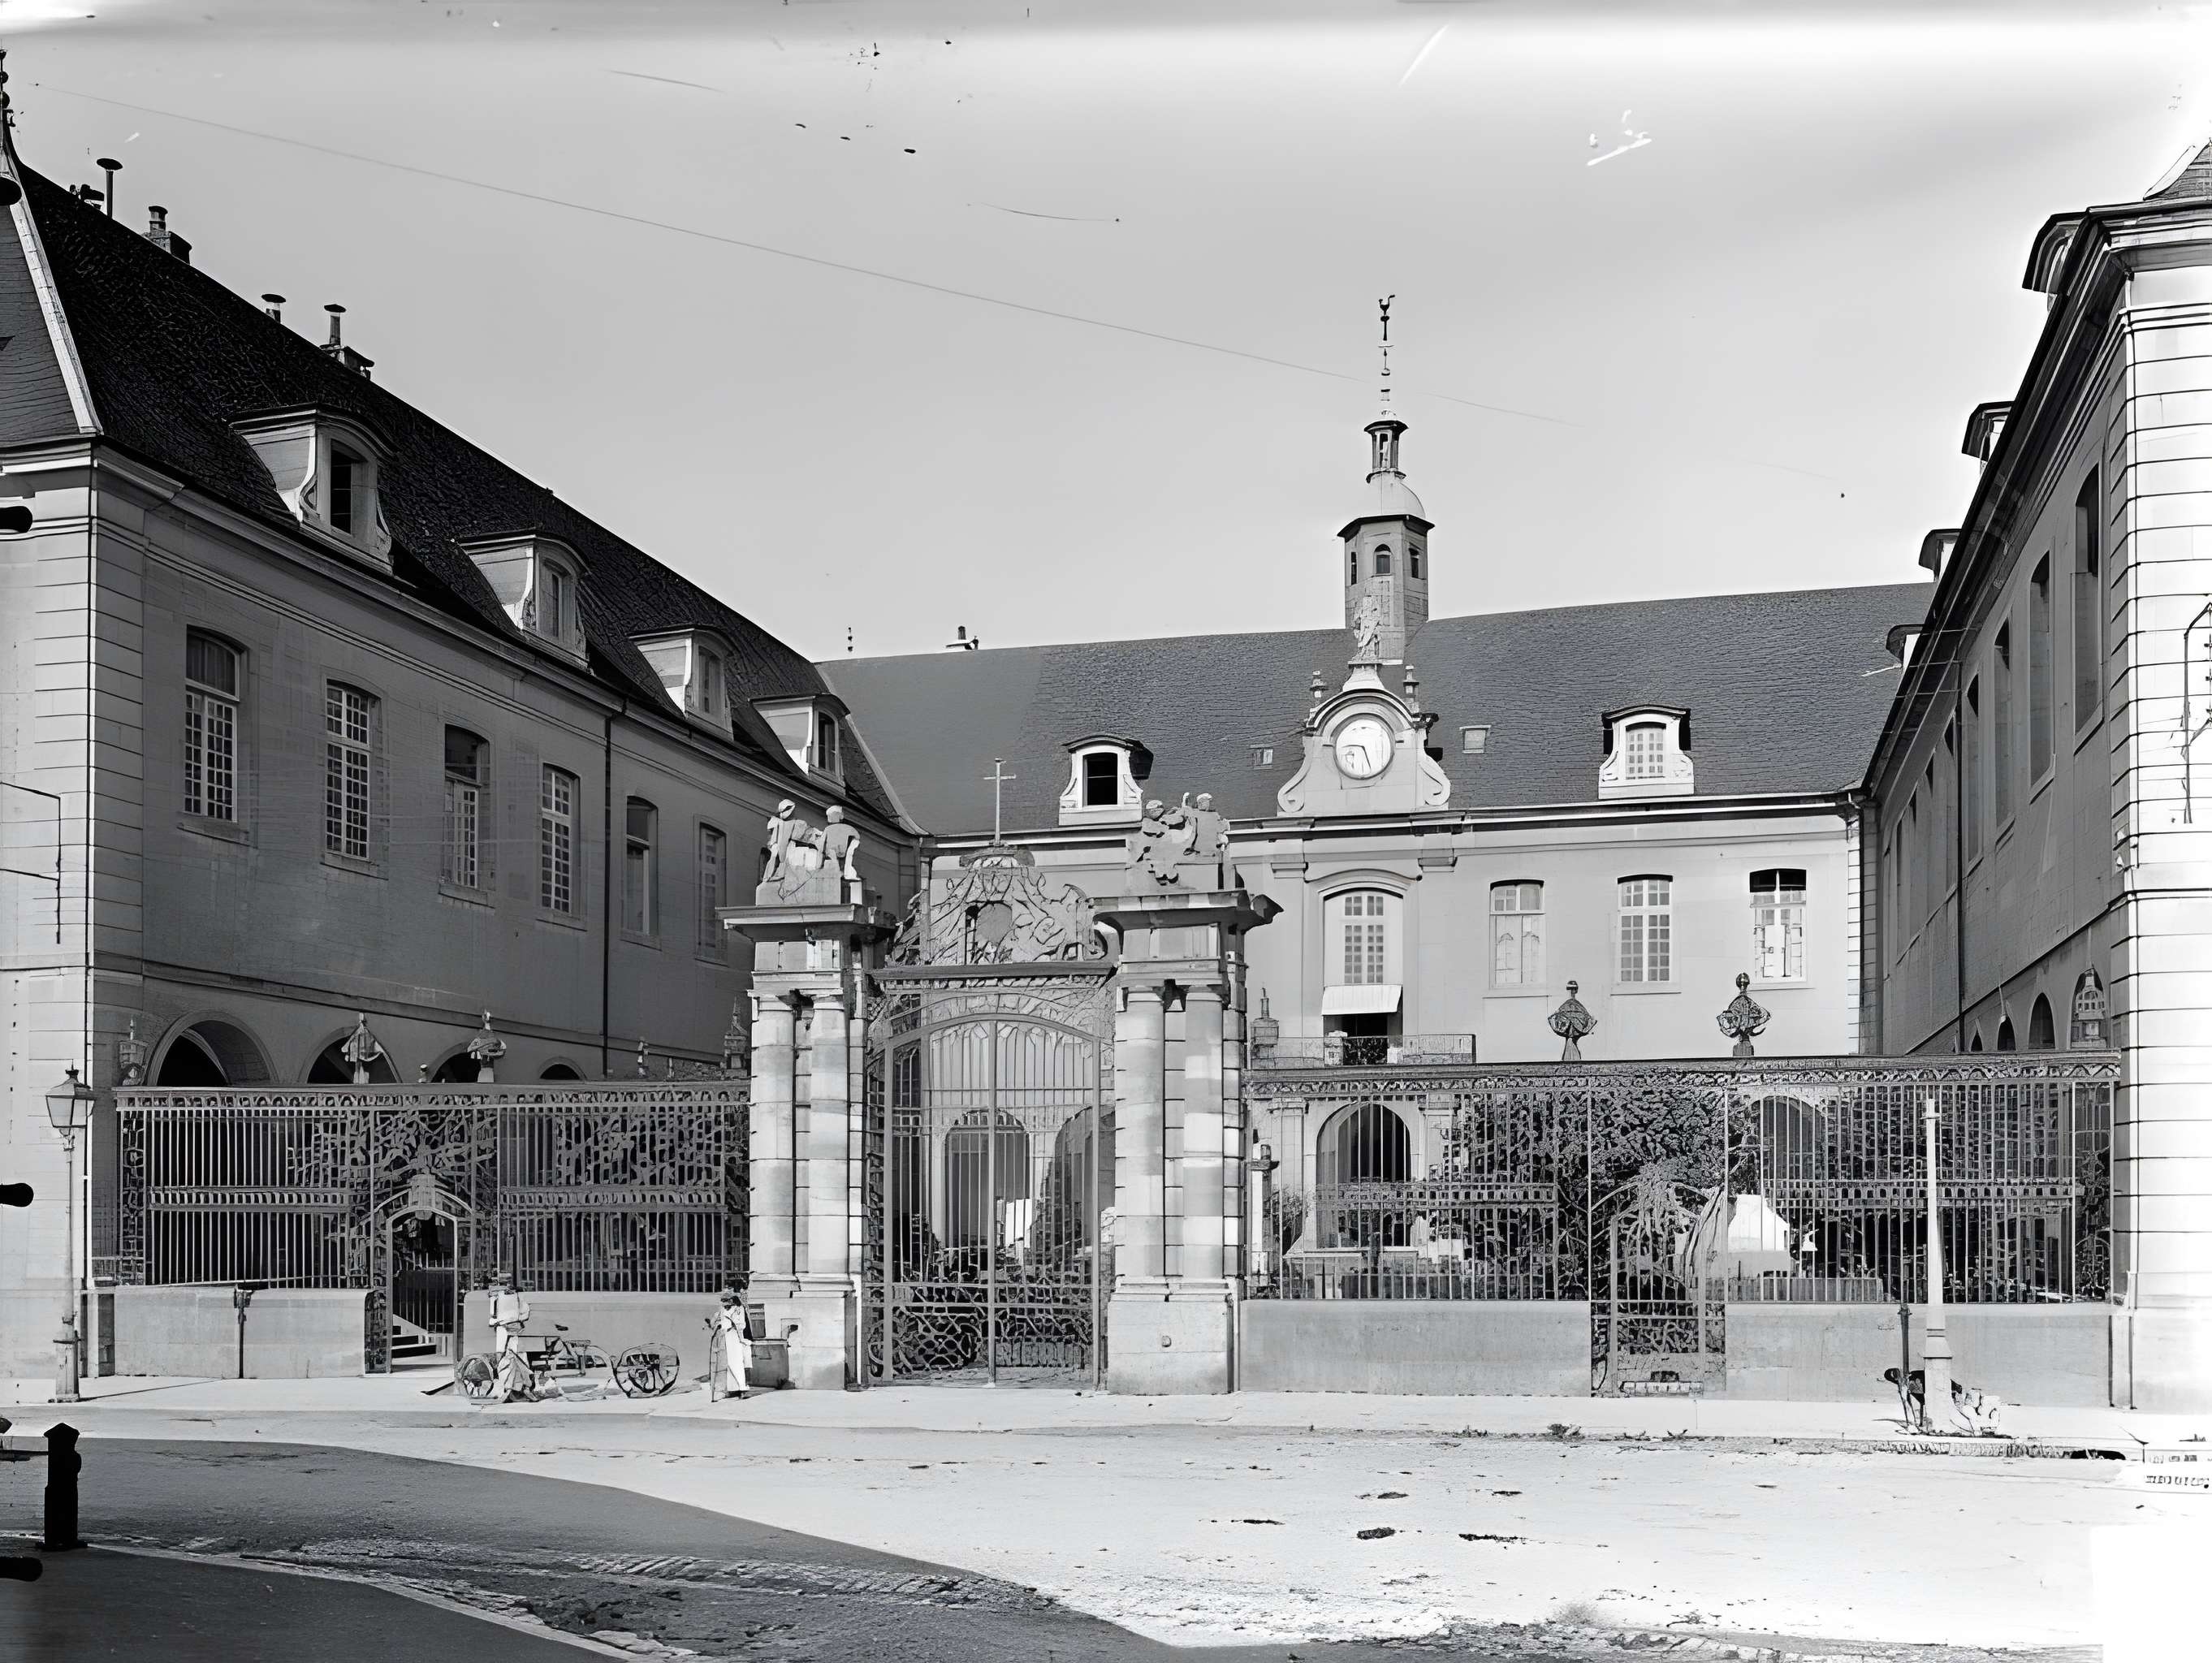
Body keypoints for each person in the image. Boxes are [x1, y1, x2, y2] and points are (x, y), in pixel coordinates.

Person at [488, 1271, 534, 1402]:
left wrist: (500, 1320)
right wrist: (514, 1319)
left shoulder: (497, 1296)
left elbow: (492, 1316)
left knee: (510, 1358)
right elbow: (525, 1313)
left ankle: (513, 1388)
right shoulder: (515, 1296)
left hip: (506, 1329)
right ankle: (519, 1388)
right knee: (515, 1358)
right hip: (511, 1329)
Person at [706, 1287, 752, 1402]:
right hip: (725, 1339)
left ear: (731, 1300)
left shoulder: (738, 1309)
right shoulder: (723, 1310)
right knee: (727, 1364)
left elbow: (741, 1324)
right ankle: (732, 1389)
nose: (723, 1303)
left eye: (725, 1300)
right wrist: (716, 1324)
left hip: (736, 1339)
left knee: (737, 1364)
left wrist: (731, 1324)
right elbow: (719, 1322)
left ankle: (742, 1389)